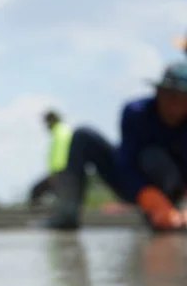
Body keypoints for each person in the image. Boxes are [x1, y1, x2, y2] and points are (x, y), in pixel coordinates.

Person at [42, 61, 187, 231]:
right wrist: (150, 199)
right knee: (83, 136)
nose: (173, 104)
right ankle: (66, 215)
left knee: (154, 157)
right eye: (168, 95)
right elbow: (126, 162)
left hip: (174, 188)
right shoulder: (136, 113)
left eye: (180, 98)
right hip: (132, 183)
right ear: (157, 92)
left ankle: (171, 213)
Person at [29, 110, 73, 206]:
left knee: (36, 191)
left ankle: (35, 218)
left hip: (61, 173)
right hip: (62, 173)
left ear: (52, 120)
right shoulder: (62, 131)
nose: (46, 126)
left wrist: (56, 174)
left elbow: (61, 154)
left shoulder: (61, 132)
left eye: (47, 122)